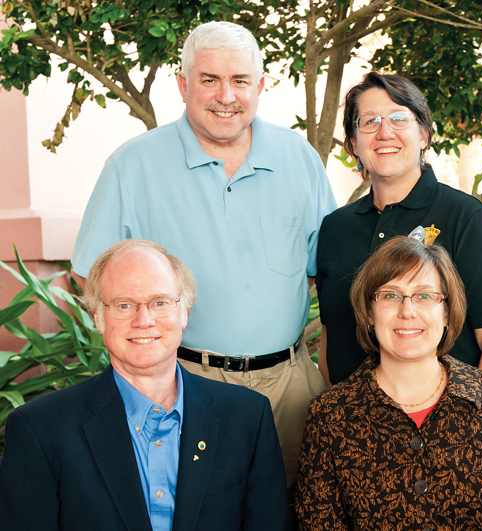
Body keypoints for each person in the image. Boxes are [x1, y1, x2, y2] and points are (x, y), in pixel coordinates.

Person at [70, 21, 337, 486]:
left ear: (260, 86)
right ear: (182, 85)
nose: (225, 96)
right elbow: (90, 282)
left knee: (297, 510)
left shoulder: (299, 157)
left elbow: (322, 270)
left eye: (240, 81)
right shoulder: (132, 165)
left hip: (290, 385)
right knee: (198, 511)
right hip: (182, 381)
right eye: (209, 80)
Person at [0, 240, 289, 530]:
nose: (144, 320)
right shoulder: (40, 430)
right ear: (98, 317)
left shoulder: (247, 418)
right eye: (124, 305)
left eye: (160, 302)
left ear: (184, 312)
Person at [296, 236, 482, 530]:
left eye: (425, 296)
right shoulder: (329, 416)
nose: (408, 311)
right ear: (369, 313)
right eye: (391, 295)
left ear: (446, 312)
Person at [316, 72, 482, 386]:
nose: (384, 132)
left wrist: (476, 429)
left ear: (423, 135)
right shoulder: (335, 227)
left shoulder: (467, 218)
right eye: (369, 121)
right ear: (354, 143)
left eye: (399, 118)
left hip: (446, 425)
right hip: (351, 426)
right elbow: (331, 342)